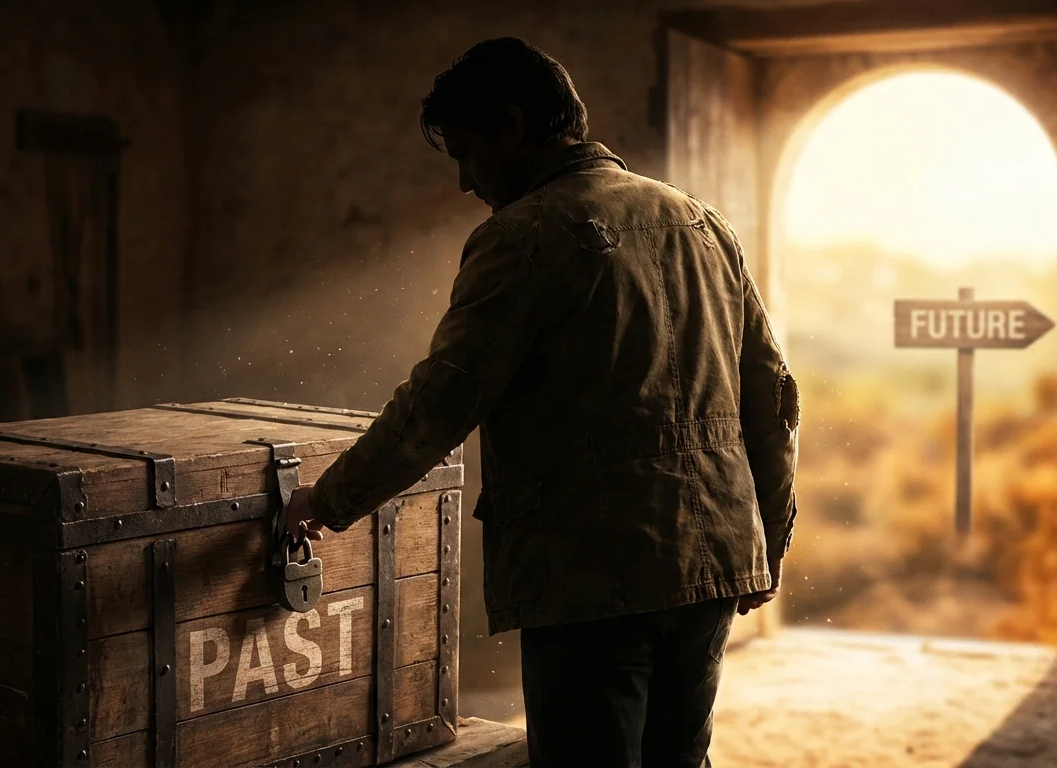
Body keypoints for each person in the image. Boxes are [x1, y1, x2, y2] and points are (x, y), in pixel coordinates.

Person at [284, 37, 800, 768]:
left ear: (515, 127)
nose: (465, 181)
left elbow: (442, 400)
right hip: (711, 556)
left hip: (593, 572)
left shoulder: (520, 237)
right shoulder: (702, 223)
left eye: (467, 153)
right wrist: (766, 544)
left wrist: (329, 500)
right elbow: (773, 400)